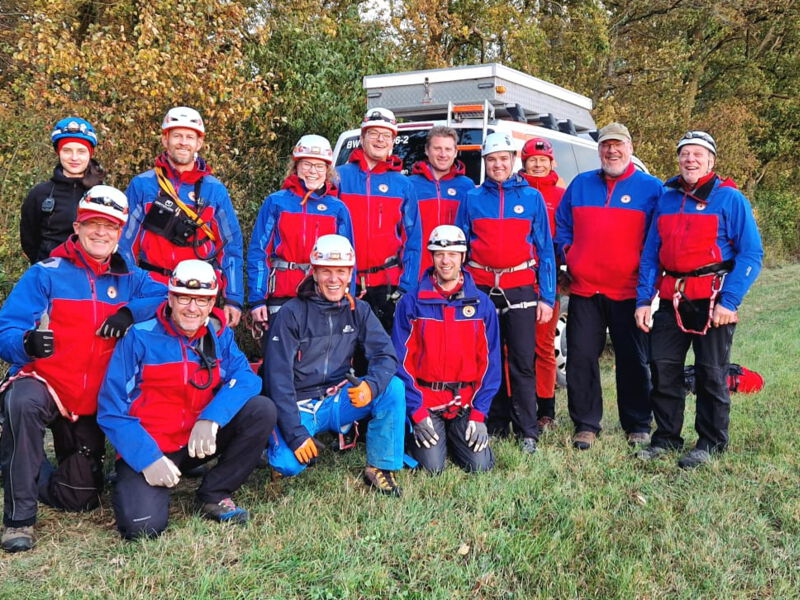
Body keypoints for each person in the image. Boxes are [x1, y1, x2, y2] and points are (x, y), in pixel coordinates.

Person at [0, 186, 166, 553]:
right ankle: (18, 519)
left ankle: (15, 460)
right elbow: (6, 329)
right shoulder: (45, 274)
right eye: (93, 224)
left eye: (110, 226)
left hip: (91, 401)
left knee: (78, 497)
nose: (101, 233)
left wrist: (129, 312)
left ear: (120, 233)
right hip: (46, 384)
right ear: (77, 227)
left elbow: (170, 296)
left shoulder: (131, 278)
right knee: (21, 403)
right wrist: (26, 343)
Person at [97, 260, 277, 539]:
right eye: (184, 298)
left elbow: (246, 378)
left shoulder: (219, 334)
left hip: (198, 440)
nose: (193, 308)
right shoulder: (139, 337)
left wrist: (212, 418)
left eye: (202, 300)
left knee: (261, 410)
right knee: (142, 528)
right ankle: (137, 478)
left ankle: (215, 492)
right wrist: (147, 459)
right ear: (170, 298)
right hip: (153, 445)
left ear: (212, 303)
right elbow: (111, 410)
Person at [634, 131, 762, 468]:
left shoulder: (730, 199)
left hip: (713, 300)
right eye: (685, 154)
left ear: (711, 161)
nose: (690, 159)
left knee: (711, 373)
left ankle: (710, 442)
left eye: (698, 154)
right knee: (663, 369)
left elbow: (751, 254)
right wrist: (644, 300)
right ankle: (666, 438)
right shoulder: (666, 199)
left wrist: (729, 302)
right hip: (671, 298)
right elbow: (651, 254)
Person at [265, 234, 406, 496]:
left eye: (341, 271)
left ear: (350, 274)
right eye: (326, 271)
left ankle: (381, 466)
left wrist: (371, 387)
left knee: (393, 388)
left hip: (338, 398)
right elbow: (277, 379)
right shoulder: (291, 313)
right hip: (299, 405)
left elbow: (386, 355)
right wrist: (295, 434)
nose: (334, 279)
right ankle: (276, 441)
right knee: (287, 463)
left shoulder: (358, 310)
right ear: (314, 272)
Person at [554, 122, 662, 450]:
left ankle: (637, 423)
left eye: (618, 145)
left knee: (633, 359)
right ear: (598, 150)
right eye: (605, 145)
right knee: (581, 358)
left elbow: (658, 239)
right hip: (585, 289)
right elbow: (562, 224)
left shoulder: (651, 188)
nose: (611, 151)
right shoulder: (581, 184)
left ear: (630, 148)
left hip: (629, 291)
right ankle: (586, 424)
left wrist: (649, 288)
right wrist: (569, 253)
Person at [456, 132, 556, 454]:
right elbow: (460, 246)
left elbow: (545, 249)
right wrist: (461, 288)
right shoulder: (472, 198)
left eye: (503, 159)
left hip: (520, 285)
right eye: (491, 160)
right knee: (488, 358)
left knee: (523, 360)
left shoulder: (531, 198)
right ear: (484, 162)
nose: (498, 165)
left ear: (513, 160)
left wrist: (547, 297)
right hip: (481, 286)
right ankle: (495, 422)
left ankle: (528, 429)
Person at [120, 106, 245, 327]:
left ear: (199, 143)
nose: (183, 142)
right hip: (150, 287)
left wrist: (233, 299)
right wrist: (125, 290)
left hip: (199, 293)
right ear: (165, 139)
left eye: (190, 137)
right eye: (177, 135)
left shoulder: (214, 190)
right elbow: (124, 244)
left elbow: (230, 247)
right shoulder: (143, 185)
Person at [392, 225, 500, 473]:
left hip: (465, 403)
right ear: (431, 256)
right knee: (431, 468)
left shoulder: (482, 305)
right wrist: (417, 413)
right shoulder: (412, 302)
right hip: (426, 402)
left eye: (452, 254)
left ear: (463, 257)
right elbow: (400, 362)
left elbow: (490, 364)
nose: (446, 261)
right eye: (439, 254)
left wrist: (479, 415)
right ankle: (426, 437)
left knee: (480, 466)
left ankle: (455, 435)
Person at [247, 134, 353, 331]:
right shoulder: (276, 202)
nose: (313, 171)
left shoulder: (337, 209)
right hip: (281, 294)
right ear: (296, 166)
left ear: (328, 170)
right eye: (307, 164)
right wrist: (257, 300)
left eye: (319, 166)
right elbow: (259, 252)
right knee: (279, 350)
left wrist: (347, 299)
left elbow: (349, 262)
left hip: (323, 295)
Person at [336, 107, 421, 333]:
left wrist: (406, 286)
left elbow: (413, 240)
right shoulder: (339, 177)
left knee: (383, 351)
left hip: (387, 287)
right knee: (343, 351)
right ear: (362, 137)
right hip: (344, 284)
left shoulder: (403, 185)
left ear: (393, 141)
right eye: (373, 133)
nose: (380, 140)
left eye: (386, 135)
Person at [519, 137, 566, 430]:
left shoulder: (561, 195)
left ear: (552, 162)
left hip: (548, 281)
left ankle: (546, 408)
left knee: (544, 346)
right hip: (518, 279)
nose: (537, 165)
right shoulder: (515, 192)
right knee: (514, 347)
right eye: (532, 160)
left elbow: (570, 233)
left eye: (542, 160)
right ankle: (516, 404)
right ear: (523, 163)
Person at [20, 117, 106, 264]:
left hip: (92, 272)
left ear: (90, 154)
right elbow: (29, 239)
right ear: (58, 152)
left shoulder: (104, 194)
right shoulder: (40, 194)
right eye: (67, 150)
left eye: (81, 151)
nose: (74, 157)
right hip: (50, 272)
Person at [407, 126, 475, 276]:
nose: (443, 154)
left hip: (452, 272)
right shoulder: (410, 185)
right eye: (437, 148)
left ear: (455, 152)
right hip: (417, 271)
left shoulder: (467, 186)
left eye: (448, 149)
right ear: (427, 150)